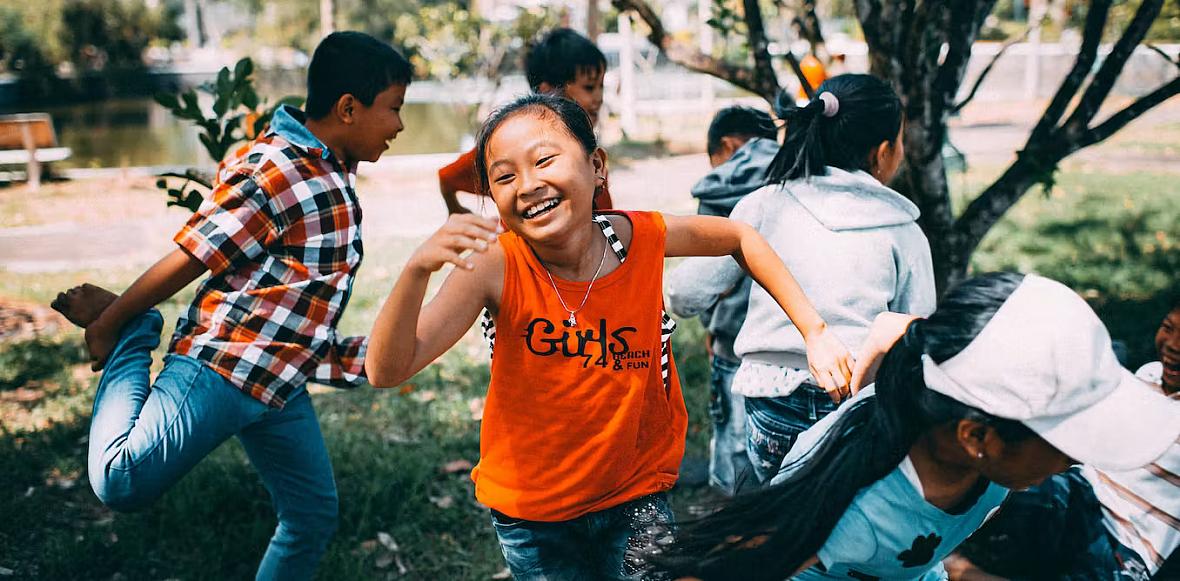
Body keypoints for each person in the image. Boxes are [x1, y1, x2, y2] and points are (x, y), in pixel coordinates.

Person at [364, 93, 853, 580]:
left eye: (544, 160)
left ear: (596, 166)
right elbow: (386, 370)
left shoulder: (641, 240)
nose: (529, 185)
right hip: (533, 516)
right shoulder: (495, 266)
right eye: (505, 176)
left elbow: (741, 237)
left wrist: (815, 331)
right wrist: (416, 271)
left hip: (637, 494)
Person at [48, 32, 411, 580]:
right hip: (224, 365)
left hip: (277, 384)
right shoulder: (278, 165)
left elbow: (299, 298)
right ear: (348, 108)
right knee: (120, 479)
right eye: (394, 110)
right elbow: (196, 252)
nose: (400, 126)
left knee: (311, 515)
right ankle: (138, 334)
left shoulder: (331, 170)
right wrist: (115, 319)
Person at [647, 273, 1180, 581]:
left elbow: (894, 327)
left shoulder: (939, 382)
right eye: (1068, 440)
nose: (1078, 460)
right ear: (978, 438)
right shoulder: (851, 513)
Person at [667, 74, 936, 484]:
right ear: (883, 153)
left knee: (775, 517)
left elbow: (684, 293)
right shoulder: (903, 230)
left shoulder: (762, 206)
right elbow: (915, 330)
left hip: (770, 403)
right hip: (855, 405)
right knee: (833, 521)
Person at [946, 293, 1180, 581]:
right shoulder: (1147, 375)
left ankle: (959, 571)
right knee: (1018, 490)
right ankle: (948, 563)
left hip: (1128, 544)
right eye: (1168, 328)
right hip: (1079, 493)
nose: (1173, 345)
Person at [673, 105, 779, 495]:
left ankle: (727, 518)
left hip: (733, 341)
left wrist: (710, 327)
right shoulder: (798, 174)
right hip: (793, 345)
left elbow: (704, 280)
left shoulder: (723, 187)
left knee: (733, 446)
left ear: (728, 145)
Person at [439, 27, 613, 215]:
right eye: (589, 87)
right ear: (550, 93)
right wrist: (455, 210)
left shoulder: (586, 148)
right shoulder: (511, 145)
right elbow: (447, 177)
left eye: (601, 86)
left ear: (596, 163)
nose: (599, 97)